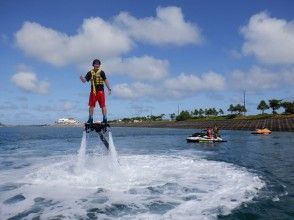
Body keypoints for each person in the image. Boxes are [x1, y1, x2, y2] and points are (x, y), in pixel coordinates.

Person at [80, 59, 111, 124]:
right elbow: (84, 81)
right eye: (95, 64)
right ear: (93, 65)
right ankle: (90, 119)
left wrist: (109, 88)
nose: (97, 65)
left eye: (98, 64)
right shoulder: (90, 72)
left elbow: (105, 80)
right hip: (93, 92)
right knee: (91, 106)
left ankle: (105, 119)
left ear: (99, 65)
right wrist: (81, 78)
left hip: (101, 92)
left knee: (103, 105)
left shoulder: (102, 72)